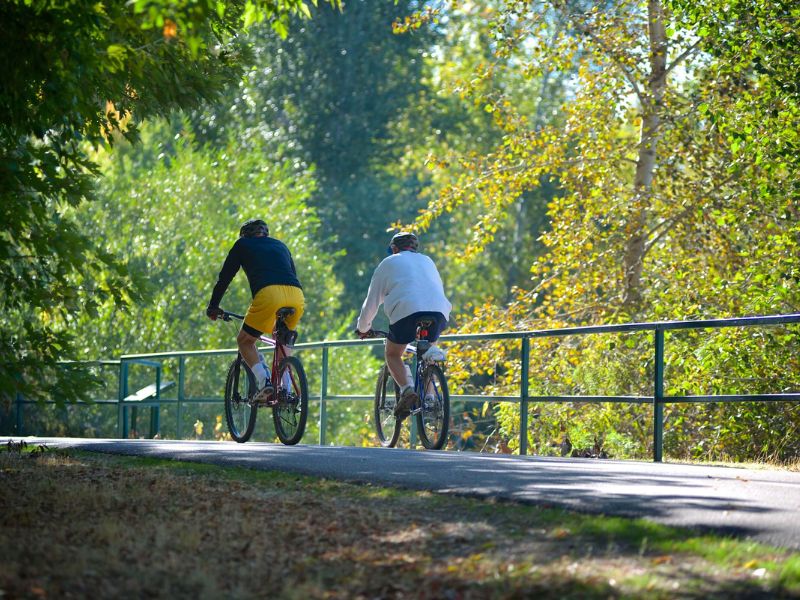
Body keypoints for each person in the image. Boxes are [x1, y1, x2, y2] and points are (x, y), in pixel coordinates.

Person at [356, 231, 451, 421]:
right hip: (439, 312)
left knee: (393, 354)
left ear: (393, 248)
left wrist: (363, 328)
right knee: (428, 350)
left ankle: (407, 390)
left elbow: (372, 302)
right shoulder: (428, 261)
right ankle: (430, 398)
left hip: (407, 312)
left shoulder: (388, 263)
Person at [206, 219, 304, 402]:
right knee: (282, 339)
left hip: (268, 295)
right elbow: (292, 273)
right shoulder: (280, 245)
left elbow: (224, 278)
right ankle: (286, 389)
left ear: (245, 234)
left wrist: (213, 306)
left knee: (244, 341)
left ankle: (264, 381)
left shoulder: (242, 244)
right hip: (296, 296)